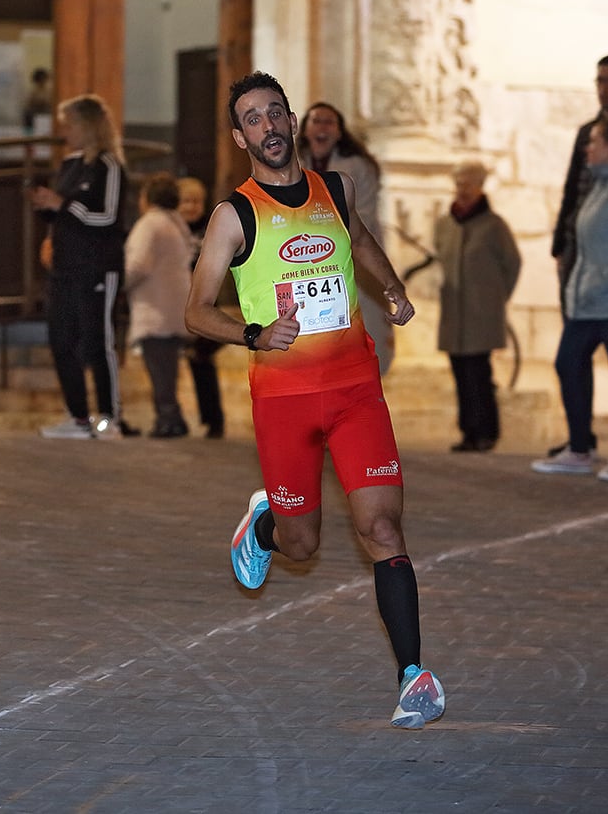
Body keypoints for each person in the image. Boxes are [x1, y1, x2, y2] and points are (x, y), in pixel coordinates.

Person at [185, 71, 445, 730]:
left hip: (356, 389)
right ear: (239, 135)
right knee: (302, 547)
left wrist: (389, 290)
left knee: (382, 529)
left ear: (292, 120)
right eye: (252, 118)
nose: (268, 126)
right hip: (286, 402)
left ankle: (413, 675)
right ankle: (266, 524)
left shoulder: (336, 188)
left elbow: (356, 239)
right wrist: (253, 333)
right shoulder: (232, 216)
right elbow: (195, 310)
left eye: (276, 113)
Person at [31, 94, 126, 440]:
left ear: (87, 126)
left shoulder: (108, 166)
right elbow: (63, 213)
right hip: (65, 266)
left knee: (97, 341)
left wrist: (63, 204)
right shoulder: (70, 164)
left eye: (69, 124)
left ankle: (108, 417)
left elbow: (108, 216)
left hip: (97, 266)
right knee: (60, 340)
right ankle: (78, 417)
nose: (64, 131)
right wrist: (48, 213)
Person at [531, 119, 608, 482]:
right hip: (586, 302)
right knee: (568, 364)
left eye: (595, 141)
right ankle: (579, 449)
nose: (587, 147)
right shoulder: (599, 187)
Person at [547, 53, 608, 456]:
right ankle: (582, 437)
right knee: (574, 353)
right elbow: (572, 189)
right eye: (599, 80)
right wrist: (561, 242)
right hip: (580, 255)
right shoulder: (588, 133)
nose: (603, 87)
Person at [297, 102, 394, 373]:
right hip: (305, 260)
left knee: (362, 323)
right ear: (305, 129)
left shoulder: (359, 167)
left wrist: (320, 227)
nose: (322, 127)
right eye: (316, 121)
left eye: (329, 122)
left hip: (353, 255)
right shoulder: (293, 164)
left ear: (339, 132)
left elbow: (360, 213)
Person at [433, 159, 521, 452]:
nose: (462, 190)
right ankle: (468, 432)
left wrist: (495, 298)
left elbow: (512, 264)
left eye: (468, 184)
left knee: (479, 373)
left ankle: (486, 431)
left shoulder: (494, 226)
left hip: (481, 314)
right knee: (460, 372)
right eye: (459, 184)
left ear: (480, 187)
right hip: (454, 313)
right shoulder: (445, 224)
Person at [125, 172, 192, 438]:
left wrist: (119, 283)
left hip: (155, 308)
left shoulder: (150, 224)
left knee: (159, 369)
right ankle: (172, 415)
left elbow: (138, 264)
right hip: (174, 307)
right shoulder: (177, 225)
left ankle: (168, 418)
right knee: (168, 368)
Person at [178, 176, 225, 438]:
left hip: (206, 298)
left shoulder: (210, 227)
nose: (192, 207)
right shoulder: (172, 229)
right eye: (186, 201)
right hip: (178, 301)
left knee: (202, 358)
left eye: (197, 201)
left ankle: (213, 420)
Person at [23, 67, 53, 131]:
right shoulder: (33, 92)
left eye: (44, 79)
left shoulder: (48, 91)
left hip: (46, 118)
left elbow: (50, 103)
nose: (43, 81)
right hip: (35, 117)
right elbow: (29, 106)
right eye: (41, 79)